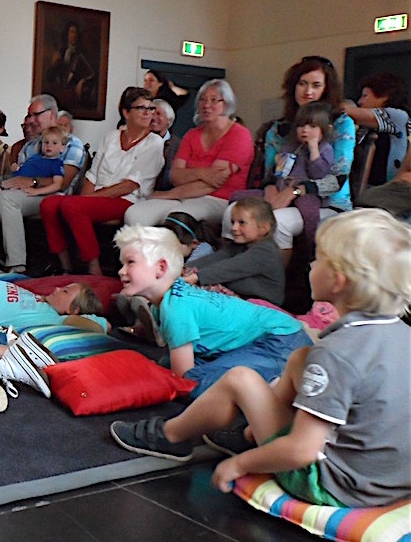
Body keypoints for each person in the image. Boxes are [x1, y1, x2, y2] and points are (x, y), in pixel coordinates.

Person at [110, 209, 411, 510]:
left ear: (337, 281)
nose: (310, 264)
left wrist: (241, 464)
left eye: (318, 259)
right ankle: (253, 432)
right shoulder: (402, 333)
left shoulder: (336, 353)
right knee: (300, 358)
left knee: (239, 379)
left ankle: (171, 436)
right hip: (393, 482)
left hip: (334, 486)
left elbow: (302, 450)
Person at [113, 225, 309, 396]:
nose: (121, 271)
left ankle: (272, 385)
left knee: (192, 385)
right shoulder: (168, 301)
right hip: (272, 339)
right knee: (167, 364)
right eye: (122, 264)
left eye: (130, 262)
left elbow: (182, 379)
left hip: (280, 343)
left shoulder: (175, 310)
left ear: (160, 268)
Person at [40, 88, 163, 275]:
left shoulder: (154, 142)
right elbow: (93, 174)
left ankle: (93, 267)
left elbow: (130, 184)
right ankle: (64, 265)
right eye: (141, 108)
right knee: (49, 204)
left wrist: (87, 200)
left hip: (126, 199)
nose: (148, 113)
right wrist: (86, 198)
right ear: (126, 112)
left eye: (151, 108)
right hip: (97, 196)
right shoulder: (111, 137)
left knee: (72, 206)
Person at [0, 94, 88, 272]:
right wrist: (12, 175)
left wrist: (32, 181)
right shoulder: (30, 145)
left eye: (36, 115)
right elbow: (19, 175)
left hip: (51, 195)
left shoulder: (71, 143)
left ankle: (17, 264)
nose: (31, 120)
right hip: (24, 191)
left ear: (52, 114)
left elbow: (63, 182)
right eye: (29, 115)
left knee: (5, 198)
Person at [124, 79, 254, 228]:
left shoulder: (239, 134)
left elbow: (213, 183)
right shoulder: (192, 134)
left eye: (214, 100)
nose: (206, 105)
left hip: (218, 199)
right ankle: (140, 244)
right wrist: (202, 173)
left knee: (176, 217)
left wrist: (170, 194)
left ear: (226, 104)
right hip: (184, 196)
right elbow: (175, 176)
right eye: (202, 100)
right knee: (134, 214)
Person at [228, 102, 337, 252]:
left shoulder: (324, 148)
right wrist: (278, 163)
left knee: (309, 210)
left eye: (312, 126)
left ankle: (311, 247)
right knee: (237, 196)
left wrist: (314, 150)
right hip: (279, 190)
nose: (305, 130)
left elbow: (318, 173)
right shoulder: (290, 146)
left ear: (324, 130)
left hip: (305, 194)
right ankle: (234, 246)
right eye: (301, 125)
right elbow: (276, 174)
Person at [0, 125, 68, 254]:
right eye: (46, 142)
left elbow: (57, 184)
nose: (49, 146)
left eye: (54, 143)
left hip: (19, 186)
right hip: (12, 179)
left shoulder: (57, 164)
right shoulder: (35, 157)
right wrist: (16, 167)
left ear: (62, 148)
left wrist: (36, 191)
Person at [184, 197, 285, 305]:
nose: (234, 228)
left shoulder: (265, 251)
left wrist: (197, 277)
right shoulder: (239, 245)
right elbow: (213, 259)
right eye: (233, 222)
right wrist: (184, 269)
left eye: (242, 223)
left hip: (261, 305)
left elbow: (229, 268)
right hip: (243, 299)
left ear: (263, 228)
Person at [342, 72, 409, 186]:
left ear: (384, 96)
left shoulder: (399, 116)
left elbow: (347, 112)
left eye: (365, 96)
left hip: (388, 190)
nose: (360, 101)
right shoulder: (368, 127)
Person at [150, 98, 181, 192]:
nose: (153, 117)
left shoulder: (178, 145)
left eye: (158, 114)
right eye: (152, 114)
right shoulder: (140, 140)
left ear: (169, 120)